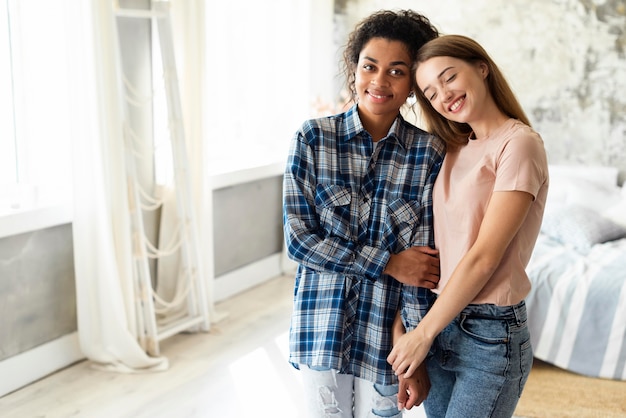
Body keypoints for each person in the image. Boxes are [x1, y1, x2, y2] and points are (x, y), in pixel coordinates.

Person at [282, 10, 445, 418]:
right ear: (353, 69)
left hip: (386, 342)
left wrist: (415, 351)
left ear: (413, 85)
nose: (379, 81)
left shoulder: (429, 153)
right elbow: (300, 241)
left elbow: (421, 267)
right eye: (370, 66)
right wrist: (388, 262)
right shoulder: (313, 138)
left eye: (396, 71)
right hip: (322, 330)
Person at [387, 34, 549, 417]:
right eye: (430, 91)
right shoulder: (451, 149)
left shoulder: (519, 145)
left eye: (448, 77)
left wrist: (420, 336)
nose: (443, 95)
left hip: (489, 334)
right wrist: (411, 332)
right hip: (439, 320)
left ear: (481, 67)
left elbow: (483, 256)